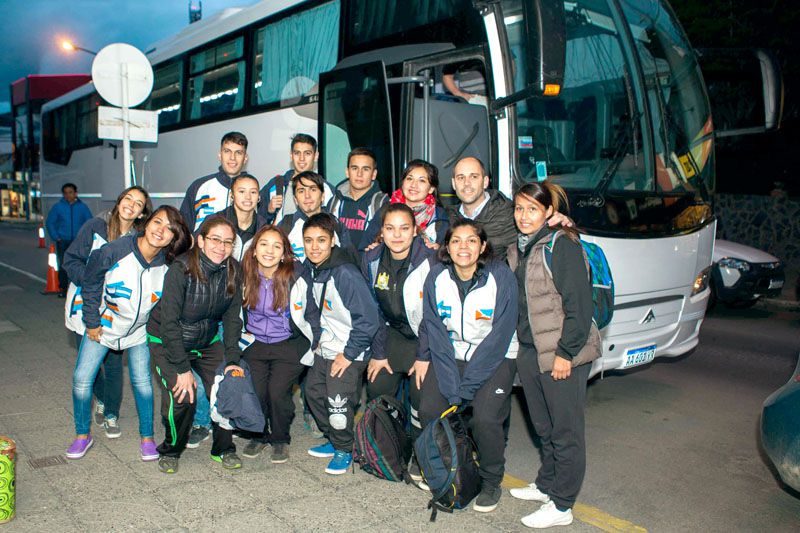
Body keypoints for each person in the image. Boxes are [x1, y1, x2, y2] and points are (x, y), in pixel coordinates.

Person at [506, 182, 601, 528]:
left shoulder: (562, 245)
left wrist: (566, 353)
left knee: (566, 431)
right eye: (519, 208)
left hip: (562, 352)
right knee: (544, 426)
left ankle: (562, 505)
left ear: (549, 212)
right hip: (531, 350)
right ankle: (547, 484)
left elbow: (579, 304)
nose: (524, 215)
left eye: (533, 208)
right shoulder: (521, 247)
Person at [66, 206, 191, 461]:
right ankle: (82, 435)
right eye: (158, 222)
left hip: (140, 333)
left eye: (169, 229)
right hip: (104, 327)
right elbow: (90, 283)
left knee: (143, 382)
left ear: (173, 238)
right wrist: (91, 321)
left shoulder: (168, 264)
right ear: (146, 224)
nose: (161, 230)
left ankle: (147, 438)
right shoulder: (114, 251)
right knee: (81, 379)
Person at [418, 219, 518, 513]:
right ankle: (449, 468)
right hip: (451, 355)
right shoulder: (436, 277)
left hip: (496, 357)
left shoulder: (501, 276)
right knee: (429, 409)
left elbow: (499, 338)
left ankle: (490, 481)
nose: (464, 246)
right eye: (456, 241)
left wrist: (467, 388)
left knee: (485, 418)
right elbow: (435, 332)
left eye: (471, 240)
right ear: (446, 247)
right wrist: (452, 389)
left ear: (483, 246)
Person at [147, 216, 246, 474]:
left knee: (226, 388)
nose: (221, 247)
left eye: (228, 242)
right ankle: (171, 449)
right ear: (201, 241)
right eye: (215, 240)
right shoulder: (180, 270)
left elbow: (232, 319)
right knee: (184, 395)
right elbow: (168, 323)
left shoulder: (233, 269)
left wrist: (232, 361)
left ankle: (223, 448)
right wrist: (182, 369)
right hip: (168, 340)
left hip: (207, 340)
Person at [63, 186, 153, 439]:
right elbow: (70, 260)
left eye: (138, 204)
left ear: (141, 213)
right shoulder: (95, 226)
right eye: (128, 199)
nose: (131, 205)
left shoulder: (139, 237)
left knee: (113, 364)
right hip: (86, 305)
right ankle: (101, 398)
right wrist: (93, 280)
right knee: (89, 367)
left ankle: (111, 414)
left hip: (117, 311)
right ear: (119, 200)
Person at [361, 203, 437, 483]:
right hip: (392, 332)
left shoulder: (431, 258)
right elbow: (374, 311)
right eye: (390, 228)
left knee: (421, 394)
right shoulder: (371, 259)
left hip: (424, 336)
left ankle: (422, 454)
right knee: (378, 384)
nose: (397, 235)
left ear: (415, 231)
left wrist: (424, 356)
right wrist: (378, 354)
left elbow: (434, 315)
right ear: (381, 232)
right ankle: (388, 450)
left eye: (404, 228)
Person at [301, 213, 381, 475]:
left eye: (321, 240)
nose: (314, 247)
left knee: (337, 402)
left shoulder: (345, 272)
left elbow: (369, 319)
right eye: (309, 240)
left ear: (332, 241)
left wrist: (348, 354)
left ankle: (345, 448)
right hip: (326, 346)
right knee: (313, 393)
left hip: (349, 350)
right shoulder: (314, 268)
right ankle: (335, 438)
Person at [238, 225, 320, 463]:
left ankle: (280, 439)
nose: (269, 251)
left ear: (285, 253)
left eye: (277, 246)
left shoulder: (296, 275)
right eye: (263, 244)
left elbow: (313, 311)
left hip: (288, 343)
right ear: (254, 250)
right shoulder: (244, 274)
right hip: (255, 342)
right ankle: (259, 435)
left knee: (277, 393)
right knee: (258, 392)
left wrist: (314, 341)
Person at [447, 156, 571, 261]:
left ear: (485, 182)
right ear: (453, 183)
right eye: (461, 178)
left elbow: (541, 234)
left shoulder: (511, 212)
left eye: (473, 177)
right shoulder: (446, 216)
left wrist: (561, 222)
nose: (467, 183)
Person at [362, 159, 449, 247]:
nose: (414, 185)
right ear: (403, 183)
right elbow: (364, 248)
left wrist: (439, 253)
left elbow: (448, 254)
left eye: (421, 180)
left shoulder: (440, 218)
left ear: (431, 189)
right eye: (409, 178)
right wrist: (374, 250)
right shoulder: (386, 210)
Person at [180, 131, 250, 232]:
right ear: (220, 155)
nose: (232, 158)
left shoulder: (252, 192)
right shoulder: (199, 186)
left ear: (245, 158)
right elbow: (183, 228)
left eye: (238, 153)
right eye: (227, 151)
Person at [277, 171, 354, 261]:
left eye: (313, 189)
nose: (307, 196)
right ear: (295, 199)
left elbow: (350, 260)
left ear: (323, 196)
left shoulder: (335, 224)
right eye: (301, 191)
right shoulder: (286, 225)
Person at [258, 133, 334, 223]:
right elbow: (256, 220)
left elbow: (333, 224)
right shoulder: (276, 184)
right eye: (297, 153)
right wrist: (269, 211)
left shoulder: (327, 189)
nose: (302, 158)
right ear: (291, 155)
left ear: (316, 156)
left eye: (307, 153)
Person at [328, 147, 388, 250]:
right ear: (347, 172)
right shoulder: (335, 202)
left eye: (365, 169)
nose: (359, 174)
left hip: (367, 264)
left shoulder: (382, 204)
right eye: (355, 168)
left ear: (373, 174)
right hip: (339, 264)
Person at [46, 182, 93, 297]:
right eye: (66, 193)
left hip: (78, 243)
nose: (68, 195)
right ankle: (64, 289)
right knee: (63, 265)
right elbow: (50, 222)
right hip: (63, 241)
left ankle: (80, 289)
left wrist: (85, 238)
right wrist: (56, 236)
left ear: (75, 193)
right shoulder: (58, 207)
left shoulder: (83, 207)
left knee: (79, 265)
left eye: (70, 192)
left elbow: (90, 223)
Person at [210, 173, 268, 262]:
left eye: (253, 192)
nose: (248, 197)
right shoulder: (216, 221)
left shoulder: (263, 228)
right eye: (241, 191)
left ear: (259, 197)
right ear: (231, 195)